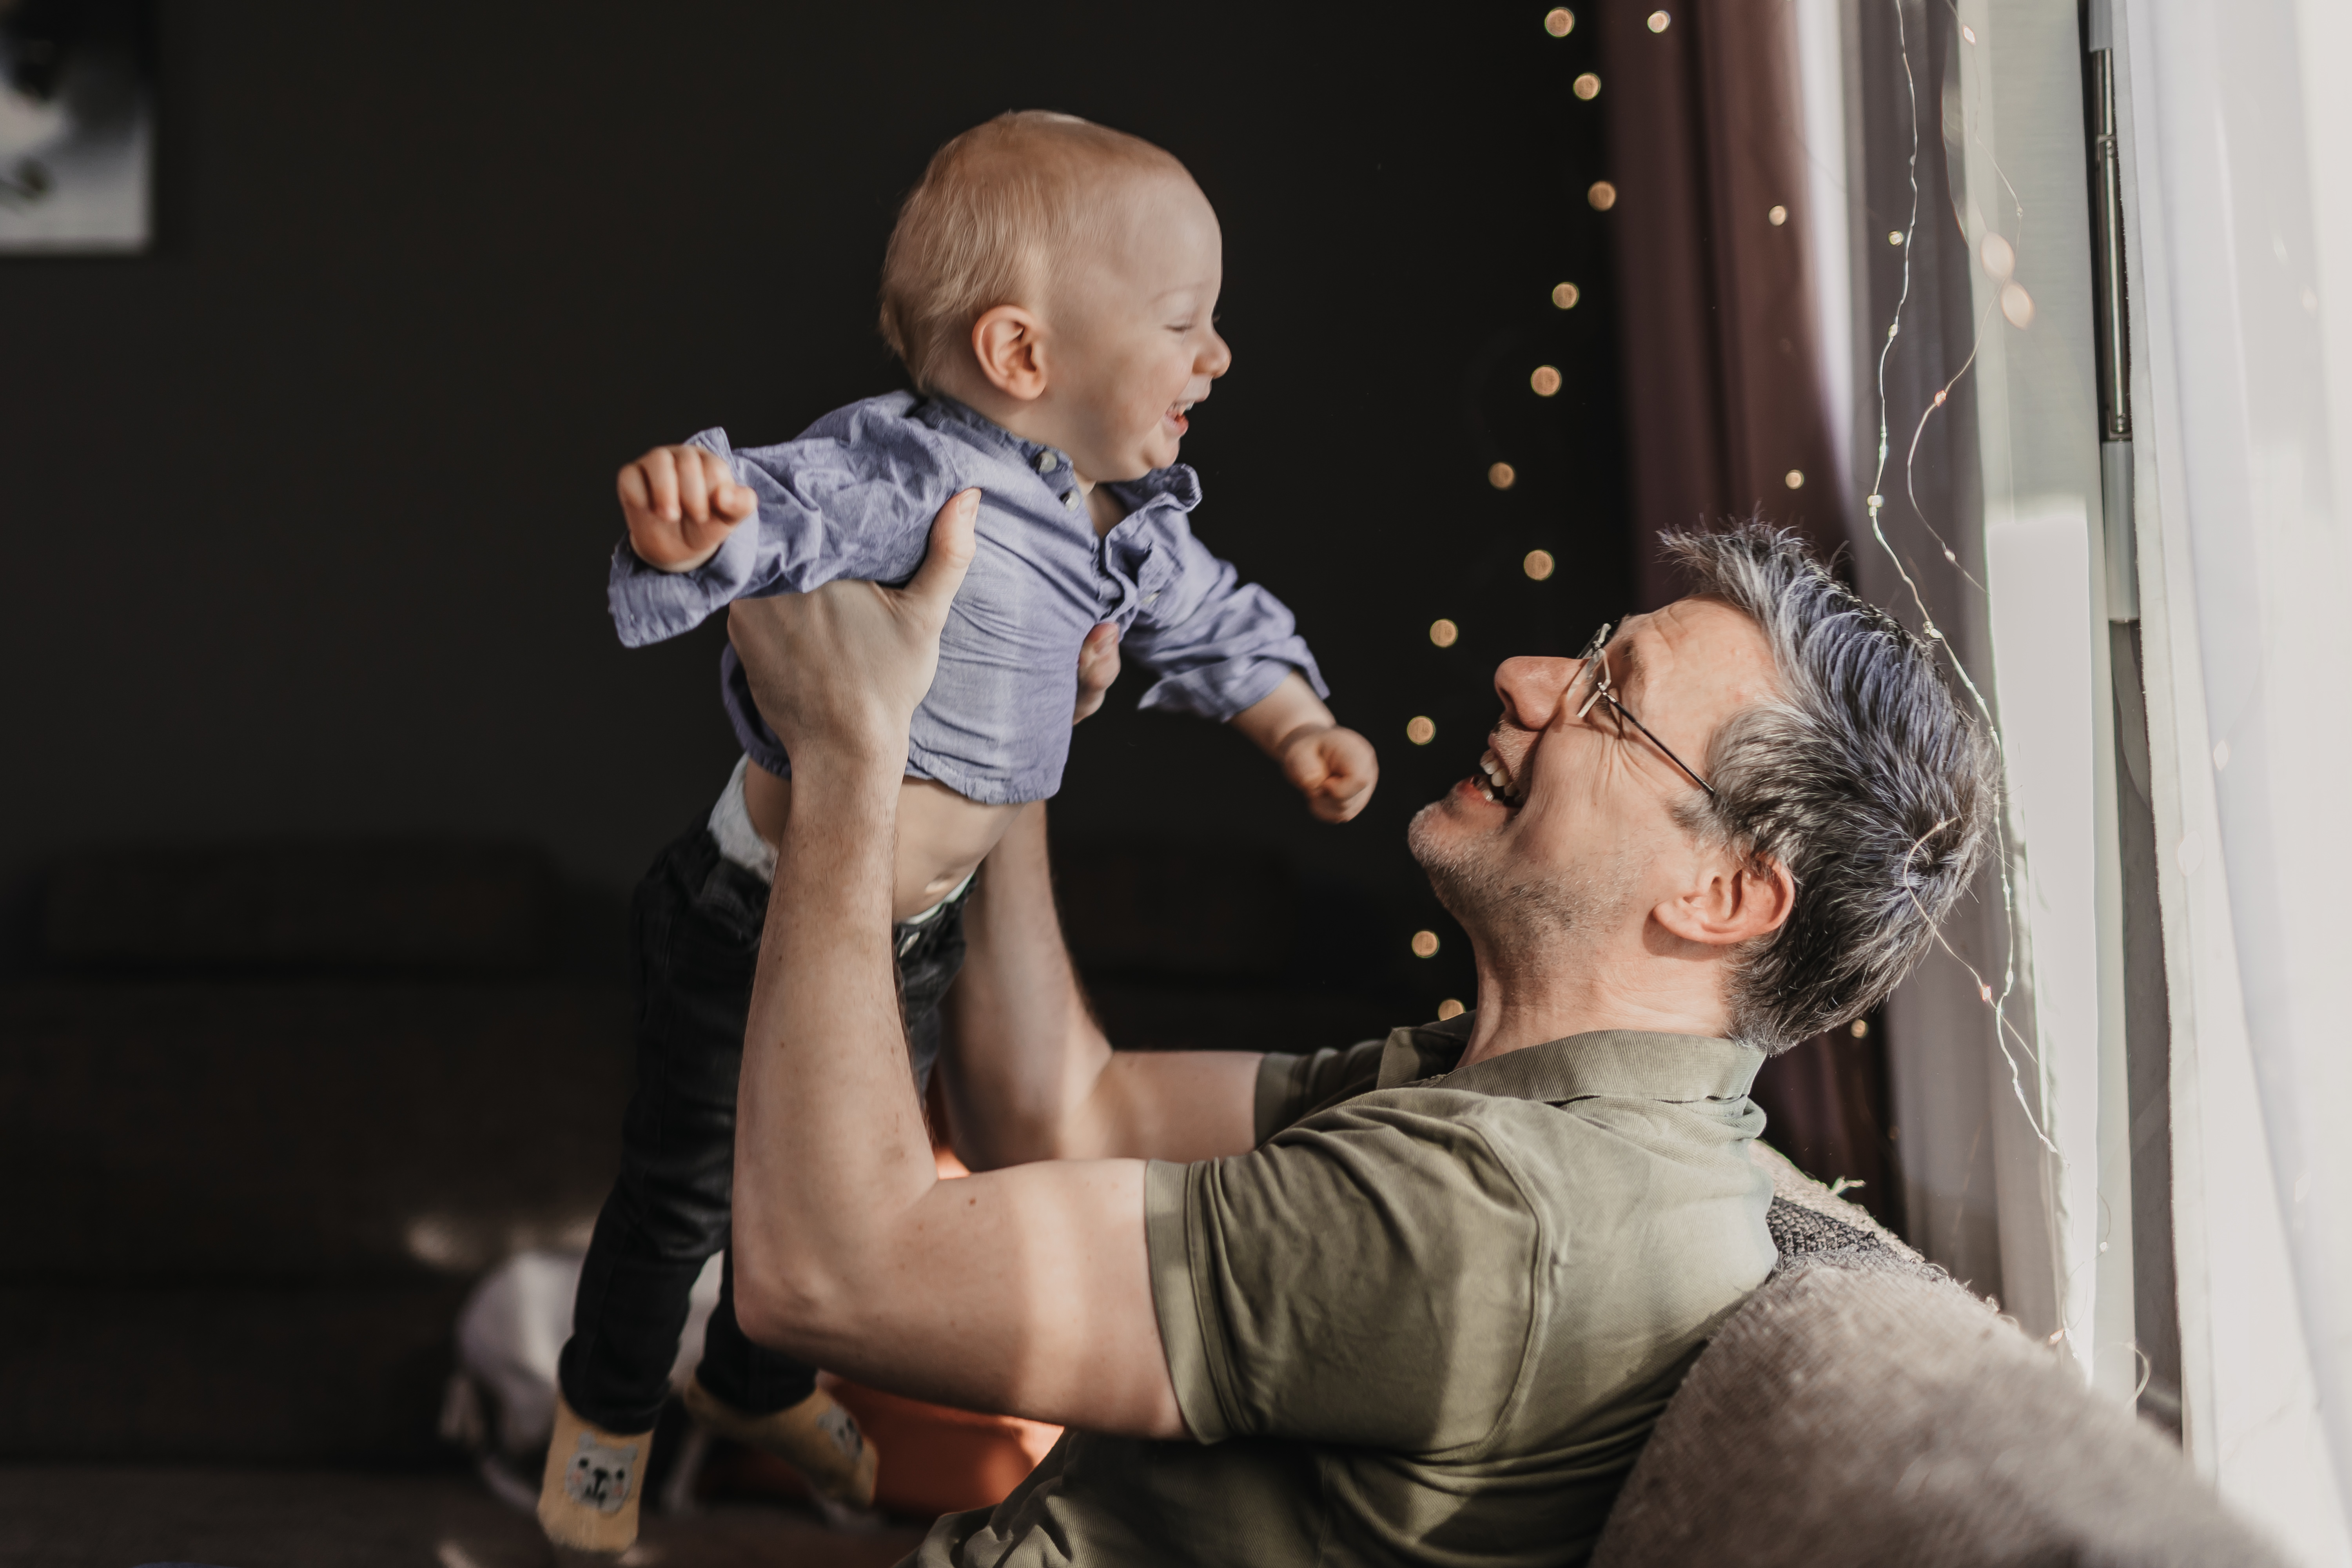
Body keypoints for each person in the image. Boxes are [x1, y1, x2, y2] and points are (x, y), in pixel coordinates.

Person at [720, 503, 2000, 1564]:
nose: (1530, 677)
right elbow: (1059, 1115)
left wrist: (851, 755)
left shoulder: (1493, 1215)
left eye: (1614, 697)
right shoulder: (1536, 1107)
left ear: (1722, 895)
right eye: (1593, 649)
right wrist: (1017, 731)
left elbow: (826, 1272)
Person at [541, 112, 1377, 1554]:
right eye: (1186, 322)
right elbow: (771, 512)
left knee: (809, 1178)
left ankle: (754, 1384)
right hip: (748, 915)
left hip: (908, 939)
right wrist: (690, 522)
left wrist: (1296, 722)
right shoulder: (912, 477)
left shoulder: (1124, 528)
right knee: (683, 1191)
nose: (1218, 354)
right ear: (1021, 358)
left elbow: (1215, 616)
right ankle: (607, 1419)